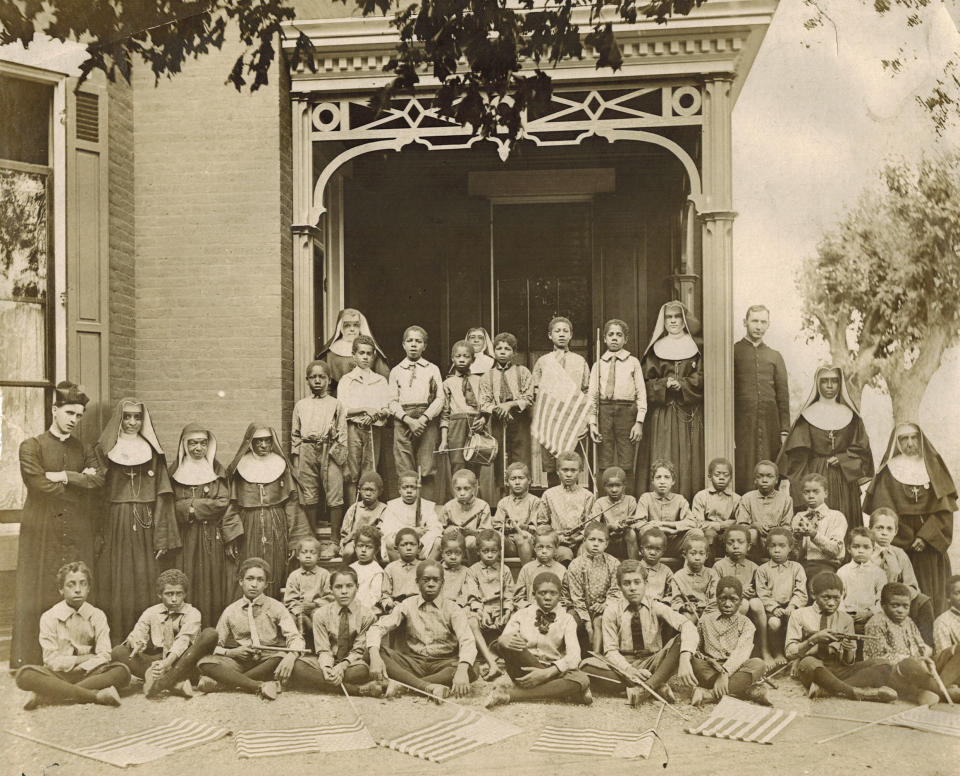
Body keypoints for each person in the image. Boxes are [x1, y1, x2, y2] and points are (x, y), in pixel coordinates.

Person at [11, 382, 104, 669]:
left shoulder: (85, 448)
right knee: (39, 588)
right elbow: (38, 485)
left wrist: (63, 475)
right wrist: (79, 481)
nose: (74, 420)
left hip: (77, 529)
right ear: (54, 410)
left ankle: (78, 658)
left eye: (79, 415)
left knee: (78, 587)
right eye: (69, 413)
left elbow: (97, 482)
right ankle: (34, 659)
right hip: (42, 529)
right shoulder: (32, 446)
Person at [95, 398, 180, 640]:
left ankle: (147, 639)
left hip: (146, 522)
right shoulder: (104, 449)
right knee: (117, 576)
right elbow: (98, 494)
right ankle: (118, 637)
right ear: (119, 419)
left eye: (137, 417)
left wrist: (162, 537)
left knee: (144, 574)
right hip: (115, 521)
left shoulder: (152, 451)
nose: (132, 422)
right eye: (127, 417)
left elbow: (163, 496)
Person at [863, 422, 956, 614]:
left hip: (930, 543)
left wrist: (925, 537)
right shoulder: (889, 470)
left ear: (921, 439)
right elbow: (884, 510)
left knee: (932, 593)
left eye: (914, 437)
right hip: (900, 542)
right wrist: (906, 537)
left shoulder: (934, 466)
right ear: (896, 442)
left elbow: (944, 511)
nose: (910, 443)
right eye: (904, 438)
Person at [15, 561, 130, 709]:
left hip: (89, 672)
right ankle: (95, 696)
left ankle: (48, 695)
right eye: (71, 585)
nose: (77, 590)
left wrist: (83, 667)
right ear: (61, 589)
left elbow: (104, 655)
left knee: (122, 671)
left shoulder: (97, 615)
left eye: (83, 584)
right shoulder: (49, 616)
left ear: (88, 588)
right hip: (58, 673)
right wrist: (81, 659)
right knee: (24, 674)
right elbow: (51, 660)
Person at [583, 559, 697, 705]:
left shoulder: (656, 606)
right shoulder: (612, 611)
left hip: (653, 662)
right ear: (619, 586)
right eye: (627, 583)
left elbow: (687, 624)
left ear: (646, 584)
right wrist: (629, 670)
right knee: (586, 666)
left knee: (681, 641)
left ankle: (644, 689)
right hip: (623, 665)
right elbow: (610, 651)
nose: (632, 588)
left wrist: (685, 658)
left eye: (637, 582)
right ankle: (657, 685)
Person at [778, 366, 873, 529]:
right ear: (817, 383)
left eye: (834, 381)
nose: (829, 386)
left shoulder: (852, 417)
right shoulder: (806, 417)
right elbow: (796, 459)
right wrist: (802, 492)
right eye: (824, 381)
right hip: (815, 476)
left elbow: (862, 450)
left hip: (844, 480)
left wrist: (843, 458)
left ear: (840, 383)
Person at [197, 557, 305, 700]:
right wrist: (232, 652)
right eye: (250, 579)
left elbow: (295, 637)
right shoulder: (231, 610)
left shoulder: (276, 607)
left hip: (267, 661)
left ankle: (225, 684)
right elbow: (216, 646)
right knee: (204, 663)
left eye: (260, 580)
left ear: (266, 584)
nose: (254, 584)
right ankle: (258, 685)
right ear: (241, 581)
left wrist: (292, 656)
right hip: (240, 662)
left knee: (282, 657)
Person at [368, 560, 478, 700]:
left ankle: (406, 685)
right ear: (417, 582)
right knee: (372, 651)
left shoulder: (453, 609)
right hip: (413, 662)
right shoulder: (407, 604)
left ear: (442, 583)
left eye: (435, 580)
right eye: (426, 580)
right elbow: (377, 627)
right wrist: (374, 656)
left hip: (443, 663)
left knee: (472, 668)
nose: (431, 584)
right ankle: (427, 687)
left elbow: (467, 640)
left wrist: (462, 670)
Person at [226, 424, 311, 599]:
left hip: (276, 524)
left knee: (275, 567)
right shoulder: (240, 468)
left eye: (267, 441)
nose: (264, 445)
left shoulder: (281, 466)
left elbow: (292, 505)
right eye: (259, 441)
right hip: (248, 526)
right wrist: (232, 536)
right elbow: (232, 505)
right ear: (251, 443)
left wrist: (295, 539)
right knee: (249, 568)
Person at [484, 572, 593, 708]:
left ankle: (511, 694)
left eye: (553, 593)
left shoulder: (567, 619)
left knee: (582, 679)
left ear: (560, 596)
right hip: (523, 667)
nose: (547, 597)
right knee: (508, 643)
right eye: (542, 593)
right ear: (533, 594)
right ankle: (566, 692)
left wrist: (545, 673)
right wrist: (503, 639)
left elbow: (574, 655)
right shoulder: (521, 614)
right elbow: (506, 640)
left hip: (550, 669)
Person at [785, 571, 897, 703]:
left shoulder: (846, 619)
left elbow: (848, 662)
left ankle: (826, 689)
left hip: (838, 669)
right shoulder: (799, 615)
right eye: (826, 597)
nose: (832, 603)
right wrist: (813, 640)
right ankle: (855, 692)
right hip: (814, 668)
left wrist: (849, 650)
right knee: (809, 662)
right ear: (813, 594)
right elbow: (789, 653)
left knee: (883, 664)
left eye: (836, 598)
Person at [169, 423, 240, 627]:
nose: (198, 448)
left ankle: (210, 629)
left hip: (211, 537)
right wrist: (190, 509)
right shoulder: (173, 472)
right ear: (184, 445)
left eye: (202, 443)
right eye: (192, 443)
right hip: (185, 536)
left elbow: (223, 502)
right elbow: (168, 504)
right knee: (187, 577)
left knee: (211, 581)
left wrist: (191, 507)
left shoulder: (217, 472)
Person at [111, 569, 218, 697]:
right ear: (159, 595)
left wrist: (166, 664)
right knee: (118, 651)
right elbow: (138, 632)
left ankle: (162, 682)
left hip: (184, 660)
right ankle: (176, 684)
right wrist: (138, 643)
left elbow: (183, 641)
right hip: (159, 658)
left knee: (209, 635)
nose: (174, 599)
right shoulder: (151, 612)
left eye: (179, 594)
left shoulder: (193, 613)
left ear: (185, 594)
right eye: (169, 594)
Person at [639, 301, 703, 500]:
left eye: (677, 316)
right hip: (662, 415)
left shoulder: (698, 348)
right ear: (663, 321)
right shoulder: (655, 349)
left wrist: (683, 384)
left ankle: (687, 503)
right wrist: (664, 384)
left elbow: (703, 378)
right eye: (669, 317)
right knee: (663, 453)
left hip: (689, 414)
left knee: (688, 459)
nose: (673, 321)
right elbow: (643, 384)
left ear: (684, 320)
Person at [864, 582, 960, 704]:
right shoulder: (876, 623)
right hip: (894, 673)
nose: (900, 610)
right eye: (895, 605)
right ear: (883, 605)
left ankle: (938, 689)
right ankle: (944, 693)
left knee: (957, 650)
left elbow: (921, 645)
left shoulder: (908, 621)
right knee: (910, 664)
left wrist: (925, 654)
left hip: (919, 670)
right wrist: (915, 661)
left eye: (905, 606)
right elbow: (878, 660)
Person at [291, 360, 348, 552]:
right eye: (313, 377)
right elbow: (295, 435)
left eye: (321, 377)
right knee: (308, 493)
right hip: (307, 449)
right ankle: (311, 538)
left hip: (329, 448)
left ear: (329, 380)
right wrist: (297, 460)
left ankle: (334, 540)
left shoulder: (336, 404)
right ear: (307, 380)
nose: (317, 381)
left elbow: (342, 434)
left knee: (335, 490)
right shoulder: (301, 405)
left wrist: (339, 457)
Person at [733, 305, 790, 495]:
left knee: (769, 465)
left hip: (769, 424)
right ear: (745, 322)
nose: (759, 326)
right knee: (743, 464)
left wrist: (784, 430)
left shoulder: (775, 356)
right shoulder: (734, 352)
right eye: (754, 321)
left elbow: (783, 396)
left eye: (763, 322)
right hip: (742, 423)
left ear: (768, 325)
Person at [304, 567, 385, 697]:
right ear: (331, 589)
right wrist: (326, 668)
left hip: (352, 664)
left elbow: (358, 650)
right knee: (299, 667)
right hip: (328, 660)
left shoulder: (367, 615)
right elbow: (323, 649)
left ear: (357, 587)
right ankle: (358, 690)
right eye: (338, 587)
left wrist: (342, 666)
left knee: (361, 671)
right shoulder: (320, 614)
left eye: (349, 586)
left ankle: (325, 682)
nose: (344, 591)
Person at [691, 577, 771, 706]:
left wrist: (725, 673)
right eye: (723, 598)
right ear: (716, 599)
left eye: (733, 599)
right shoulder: (705, 620)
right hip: (711, 669)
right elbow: (697, 646)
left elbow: (742, 653)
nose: (727, 604)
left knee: (759, 664)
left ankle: (709, 695)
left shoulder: (746, 624)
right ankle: (749, 691)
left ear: (740, 602)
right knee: (692, 661)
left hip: (735, 668)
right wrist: (700, 655)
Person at [532, 317, 590, 486]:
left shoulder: (579, 361)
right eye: (557, 331)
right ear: (550, 335)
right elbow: (536, 391)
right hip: (551, 419)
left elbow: (586, 390)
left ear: (571, 335)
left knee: (571, 463)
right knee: (552, 465)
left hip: (573, 418)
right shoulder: (543, 362)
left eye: (566, 331)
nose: (562, 335)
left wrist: (584, 420)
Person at [588, 319, 646, 488]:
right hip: (604, 411)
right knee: (604, 459)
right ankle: (603, 501)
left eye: (619, 335)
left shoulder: (633, 362)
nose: (614, 338)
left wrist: (639, 422)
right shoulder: (598, 365)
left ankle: (627, 501)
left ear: (625, 339)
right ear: (604, 339)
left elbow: (641, 394)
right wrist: (592, 423)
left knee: (626, 458)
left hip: (627, 412)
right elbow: (592, 396)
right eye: (610, 335)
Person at [388, 325, 444, 501]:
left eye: (418, 341)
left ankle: (425, 511)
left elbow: (440, 398)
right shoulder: (396, 371)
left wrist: (424, 418)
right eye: (409, 341)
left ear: (425, 346)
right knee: (404, 467)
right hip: (403, 419)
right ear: (403, 344)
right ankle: (407, 512)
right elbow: (391, 401)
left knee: (427, 466)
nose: (414, 345)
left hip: (426, 418)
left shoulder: (432, 369)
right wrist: (408, 420)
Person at [438, 340, 494, 503]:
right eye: (458, 356)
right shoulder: (447, 383)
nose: (462, 359)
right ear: (452, 358)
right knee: (457, 463)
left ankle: (475, 504)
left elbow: (487, 403)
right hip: (456, 425)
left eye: (466, 356)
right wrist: (443, 440)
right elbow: (445, 414)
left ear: (473, 359)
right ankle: (457, 503)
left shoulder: (480, 380)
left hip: (476, 423)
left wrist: (484, 419)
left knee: (475, 462)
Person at [870, 507, 935, 644]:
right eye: (879, 528)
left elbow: (912, 586)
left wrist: (898, 598)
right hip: (871, 599)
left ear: (896, 532)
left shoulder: (899, 554)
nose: (884, 533)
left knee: (923, 601)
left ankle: (926, 646)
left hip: (897, 600)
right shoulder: (865, 552)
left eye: (889, 529)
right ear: (870, 529)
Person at [338, 335, 393, 491]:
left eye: (369, 354)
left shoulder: (380, 380)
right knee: (352, 473)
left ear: (374, 356)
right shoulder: (346, 380)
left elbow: (387, 407)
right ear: (354, 355)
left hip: (373, 429)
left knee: (370, 471)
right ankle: (353, 512)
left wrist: (375, 414)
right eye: (361, 353)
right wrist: (364, 409)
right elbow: (342, 409)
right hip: (352, 429)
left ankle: (368, 511)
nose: (365, 357)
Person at [479, 332, 534, 478]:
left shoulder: (522, 372)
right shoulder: (487, 376)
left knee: (521, 457)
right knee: (500, 458)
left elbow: (529, 397)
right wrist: (499, 409)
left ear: (514, 353)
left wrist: (509, 405)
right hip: (498, 419)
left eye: (507, 349)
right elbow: (484, 402)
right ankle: (502, 494)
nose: (503, 352)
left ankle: (521, 491)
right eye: (499, 348)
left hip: (519, 419)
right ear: (494, 352)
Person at [713, 525, 770, 664]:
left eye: (740, 542)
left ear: (749, 546)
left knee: (755, 603)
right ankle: (733, 649)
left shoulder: (754, 567)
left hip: (750, 608)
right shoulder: (719, 566)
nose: (735, 546)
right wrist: (739, 592)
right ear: (725, 546)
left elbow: (761, 589)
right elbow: (715, 591)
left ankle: (764, 649)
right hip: (727, 607)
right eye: (730, 543)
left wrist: (752, 592)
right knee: (743, 604)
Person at [562, 521, 621, 652]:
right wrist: (588, 624)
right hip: (579, 608)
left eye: (600, 541)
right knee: (570, 621)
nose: (595, 544)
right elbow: (576, 598)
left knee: (600, 620)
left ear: (606, 544)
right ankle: (573, 655)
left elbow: (615, 589)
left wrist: (606, 604)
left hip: (602, 607)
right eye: (592, 539)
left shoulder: (613, 563)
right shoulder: (575, 565)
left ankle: (597, 656)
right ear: (584, 540)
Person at [467, 529, 515, 679]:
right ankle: (489, 658)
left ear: (500, 551)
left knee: (516, 618)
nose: (489, 554)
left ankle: (504, 656)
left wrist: (506, 611)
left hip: (500, 609)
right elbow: (472, 595)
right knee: (471, 620)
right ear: (478, 552)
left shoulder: (504, 570)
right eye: (485, 551)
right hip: (482, 610)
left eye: (493, 551)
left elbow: (509, 594)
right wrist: (481, 611)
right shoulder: (472, 571)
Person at [755, 528, 808, 665]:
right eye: (773, 546)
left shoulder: (796, 568)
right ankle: (777, 652)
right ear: (767, 548)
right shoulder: (762, 570)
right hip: (773, 610)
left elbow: (801, 591)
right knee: (773, 623)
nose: (777, 550)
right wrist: (774, 608)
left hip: (792, 607)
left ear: (790, 547)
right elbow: (763, 593)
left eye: (782, 546)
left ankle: (795, 654)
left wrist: (792, 605)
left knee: (798, 620)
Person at [537, 450, 596, 562]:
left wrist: (579, 538)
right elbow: (542, 524)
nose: (569, 474)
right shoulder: (549, 495)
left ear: (580, 471)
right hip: (558, 542)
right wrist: (557, 538)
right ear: (558, 471)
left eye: (573, 470)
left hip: (581, 541)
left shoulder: (588, 496)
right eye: (565, 470)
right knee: (565, 555)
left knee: (584, 555)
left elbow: (590, 525)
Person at [315, 308, 390, 391]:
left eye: (356, 325)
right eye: (347, 325)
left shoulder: (371, 351)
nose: (352, 329)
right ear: (340, 327)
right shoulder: (329, 354)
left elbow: (384, 380)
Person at [635, 459, 697, 558]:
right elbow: (639, 523)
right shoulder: (646, 498)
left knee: (696, 533)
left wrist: (665, 524)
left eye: (667, 477)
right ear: (652, 481)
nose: (662, 481)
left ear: (673, 481)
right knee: (644, 530)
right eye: (658, 477)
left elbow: (691, 522)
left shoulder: (679, 499)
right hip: (653, 545)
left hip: (673, 544)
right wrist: (666, 530)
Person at [792, 472, 847, 581]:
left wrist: (814, 534)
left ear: (825, 493)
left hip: (828, 565)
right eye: (806, 492)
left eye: (816, 491)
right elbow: (794, 554)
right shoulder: (798, 517)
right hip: (802, 565)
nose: (811, 496)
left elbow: (835, 550)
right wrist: (797, 538)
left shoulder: (836, 516)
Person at [735, 459, 793, 558]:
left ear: (776, 480)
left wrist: (776, 531)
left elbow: (787, 527)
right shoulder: (747, 498)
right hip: (755, 543)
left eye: (769, 476)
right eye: (760, 476)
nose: (765, 480)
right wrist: (754, 525)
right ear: (755, 480)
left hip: (777, 541)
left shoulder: (786, 499)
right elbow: (741, 525)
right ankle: (752, 563)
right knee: (752, 533)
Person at [379, 470, 442, 561]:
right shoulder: (392, 506)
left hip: (422, 542)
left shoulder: (427, 506)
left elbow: (436, 528)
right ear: (399, 489)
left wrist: (422, 539)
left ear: (418, 489)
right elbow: (387, 530)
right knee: (389, 541)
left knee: (438, 541)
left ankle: (426, 568)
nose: (409, 491)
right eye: (405, 487)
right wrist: (412, 531)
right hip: (401, 543)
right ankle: (400, 569)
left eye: (413, 487)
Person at [438, 468, 492, 563]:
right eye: (458, 489)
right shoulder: (448, 506)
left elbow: (487, 533)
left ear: (474, 488)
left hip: (473, 542)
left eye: (466, 488)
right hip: (453, 540)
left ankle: (473, 569)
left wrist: (473, 532)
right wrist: (446, 530)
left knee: (470, 541)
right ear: (453, 488)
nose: (462, 493)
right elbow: (438, 528)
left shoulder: (483, 506)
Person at [838, 527, 886, 632]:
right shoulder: (843, 572)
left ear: (873, 549)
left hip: (870, 617)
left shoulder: (878, 573)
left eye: (866, 547)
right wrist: (845, 616)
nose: (860, 551)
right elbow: (839, 597)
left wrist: (870, 613)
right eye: (856, 547)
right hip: (847, 617)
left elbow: (882, 599)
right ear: (849, 548)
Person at [283, 537, 333, 638]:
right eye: (304, 552)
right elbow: (290, 600)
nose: (308, 556)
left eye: (312, 553)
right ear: (297, 555)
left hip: (318, 608)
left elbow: (330, 597)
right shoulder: (294, 576)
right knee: (292, 618)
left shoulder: (324, 574)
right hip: (299, 609)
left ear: (319, 556)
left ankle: (318, 643)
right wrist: (299, 609)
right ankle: (296, 643)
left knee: (317, 616)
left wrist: (315, 604)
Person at [691, 457, 740, 559]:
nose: (721, 478)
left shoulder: (737, 499)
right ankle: (709, 571)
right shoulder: (701, 496)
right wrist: (721, 525)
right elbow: (697, 523)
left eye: (725, 475)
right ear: (710, 476)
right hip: (708, 536)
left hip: (728, 535)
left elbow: (739, 522)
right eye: (717, 475)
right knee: (709, 535)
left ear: (730, 478)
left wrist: (729, 526)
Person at [493, 462, 538, 564]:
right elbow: (497, 526)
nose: (517, 482)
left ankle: (526, 575)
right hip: (509, 544)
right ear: (507, 482)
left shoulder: (535, 501)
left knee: (523, 539)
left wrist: (522, 527)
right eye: (513, 479)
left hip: (528, 542)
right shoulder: (503, 503)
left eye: (521, 478)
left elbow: (535, 527)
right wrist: (506, 527)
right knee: (495, 538)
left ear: (529, 480)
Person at [592, 466, 640, 560]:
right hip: (607, 541)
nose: (614, 490)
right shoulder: (600, 502)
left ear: (624, 485)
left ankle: (634, 565)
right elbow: (594, 527)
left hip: (625, 542)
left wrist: (624, 526)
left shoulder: (630, 500)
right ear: (604, 486)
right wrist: (609, 527)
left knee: (630, 533)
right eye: (610, 486)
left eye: (618, 485)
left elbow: (634, 522)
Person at [339, 471, 387, 563]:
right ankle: (346, 571)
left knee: (372, 553)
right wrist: (346, 542)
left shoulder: (383, 509)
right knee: (348, 551)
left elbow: (381, 531)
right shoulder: (354, 508)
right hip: (355, 542)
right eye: (365, 489)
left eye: (372, 490)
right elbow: (345, 533)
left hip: (374, 543)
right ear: (359, 490)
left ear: (380, 492)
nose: (368, 493)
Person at [513, 526, 567, 607]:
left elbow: (565, 599)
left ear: (556, 549)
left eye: (549, 547)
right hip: (531, 612)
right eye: (540, 547)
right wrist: (528, 608)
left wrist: (554, 609)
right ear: (534, 548)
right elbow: (518, 598)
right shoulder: (527, 569)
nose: (544, 551)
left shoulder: (561, 570)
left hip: (554, 613)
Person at [671, 535, 718, 622]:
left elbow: (715, 597)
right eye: (693, 553)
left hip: (708, 610)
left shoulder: (712, 574)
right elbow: (676, 600)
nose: (697, 558)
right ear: (685, 555)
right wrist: (683, 607)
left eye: (701, 553)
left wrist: (705, 608)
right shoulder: (678, 576)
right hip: (689, 611)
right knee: (687, 619)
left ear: (706, 556)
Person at [380, 527, 423, 612]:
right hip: (397, 607)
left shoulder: (423, 567)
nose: (409, 548)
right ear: (396, 549)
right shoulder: (390, 568)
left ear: (419, 548)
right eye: (404, 544)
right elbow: (385, 595)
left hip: (419, 607)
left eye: (412, 544)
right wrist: (389, 604)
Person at [349, 526, 385, 612]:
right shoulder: (351, 568)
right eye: (360, 546)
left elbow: (375, 596)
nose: (363, 550)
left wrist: (361, 608)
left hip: (367, 609)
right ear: (355, 547)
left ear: (376, 550)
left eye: (368, 547)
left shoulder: (376, 571)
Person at [638, 528, 677, 605]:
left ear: (663, 552)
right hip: (638, 605)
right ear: (642, 549)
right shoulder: (635, 568)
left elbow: (671, 593)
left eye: (658, 549)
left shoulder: (666, 571)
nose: (652, 552)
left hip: (658, 606)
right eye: (648, 548)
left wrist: (664, 602)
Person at [440, 530, 476, 608]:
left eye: (457, 553)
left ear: (463, 554)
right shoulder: (437, 571)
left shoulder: (467, 572)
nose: (453, 557)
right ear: (442, 553)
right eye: (448, 553)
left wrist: (458, 605)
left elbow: (467, 592)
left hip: (458, 607)